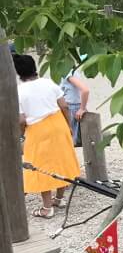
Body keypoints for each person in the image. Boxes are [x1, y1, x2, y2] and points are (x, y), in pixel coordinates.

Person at [14, 54, 80, 218]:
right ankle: (59, 199)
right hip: (58, 124)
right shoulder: (48, 82)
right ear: (34, 67)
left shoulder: (19, 91)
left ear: (18, 72)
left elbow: (21, 119)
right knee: (62, 160)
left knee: (40, 166)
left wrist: (21, 134)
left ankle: (46, 207)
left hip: (37, 129)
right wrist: (69, 126)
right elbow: (64, 105)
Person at [59, 61, 91, 147]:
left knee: (69, 142)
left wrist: (82, 108)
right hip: (72, 107)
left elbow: (85, 90)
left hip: (71, 109)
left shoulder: (68, 74)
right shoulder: (73, 72)